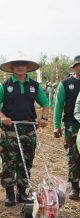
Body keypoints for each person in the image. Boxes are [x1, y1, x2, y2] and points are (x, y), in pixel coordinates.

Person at [0, 51, 49, 206]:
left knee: (26, 161)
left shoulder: (34, 86)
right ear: (12, 68)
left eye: (23, 64)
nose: (20, 67)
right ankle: (9, 193)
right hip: (10, 129)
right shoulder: (5, 86)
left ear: (27, 67)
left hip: (29, 129)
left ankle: (22, 192)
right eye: (16, 64)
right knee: (9, 161)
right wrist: (2, 116)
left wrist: (44, 118)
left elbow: (45, 103)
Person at [55, 55, 80, 200]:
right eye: (78, 65)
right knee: (73, 156)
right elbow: (58, 106)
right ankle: (75, 187)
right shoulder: (66, 84)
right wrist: (57, 126)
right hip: (72, 125)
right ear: (74, 67)